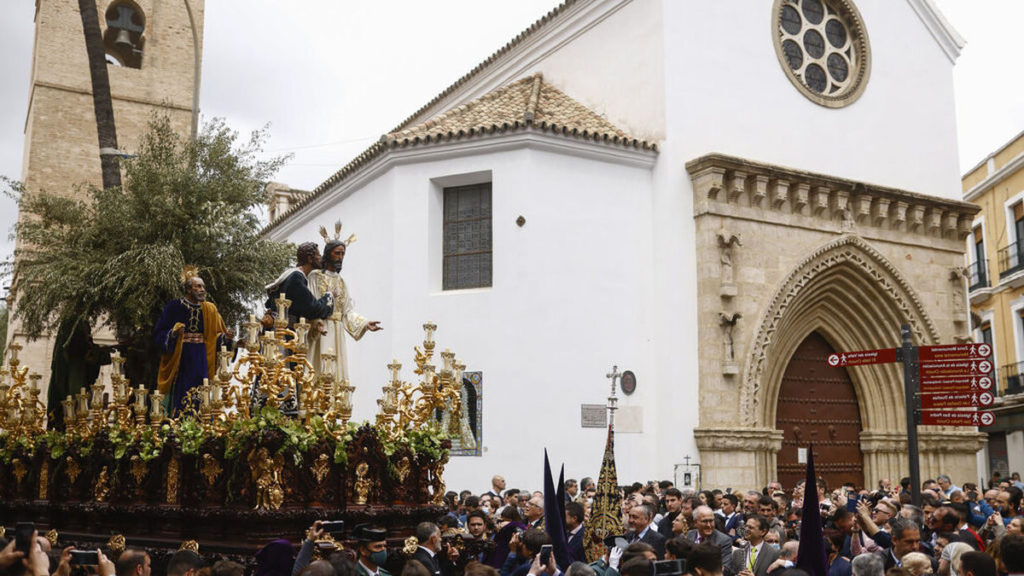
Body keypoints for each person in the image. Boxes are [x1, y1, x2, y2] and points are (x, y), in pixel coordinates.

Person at [307, 228, 382, 386]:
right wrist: (316, 323)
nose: (340, 257)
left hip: (337, 332)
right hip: (321, 329)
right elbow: (311, 304)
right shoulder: (315, 277)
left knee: (337, 372)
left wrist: (365, 324)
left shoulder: (341, 282)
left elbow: (347, 311)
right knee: (319, 369)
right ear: (328, 254)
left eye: (342, 254)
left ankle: (336, 405)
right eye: (337, 253)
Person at [155, 268, 233, 414]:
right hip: (181, 356)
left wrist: (226, 338)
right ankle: (177, 421)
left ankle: (200, 422)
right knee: (181, 388)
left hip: (201, 356)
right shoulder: (174, 306)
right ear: (189, 289)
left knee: (202, 389)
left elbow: (216, 336)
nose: (202, 290)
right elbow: (159, 333)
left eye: (203, 287)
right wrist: (173, 333)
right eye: (198, 286)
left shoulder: (210, 309)